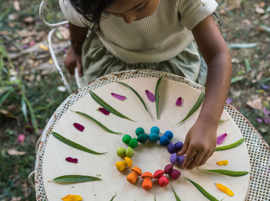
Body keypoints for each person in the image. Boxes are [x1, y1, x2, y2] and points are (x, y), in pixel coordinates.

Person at [59, 0, 232, 170]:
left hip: (171, 64)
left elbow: (218, 56)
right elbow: (77, 18)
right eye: (114, 13)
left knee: (169, 119)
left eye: (140, 6)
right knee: (113, 128)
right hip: (112, 61)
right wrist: (76, 47)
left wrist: (208, 123)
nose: (129, 19)